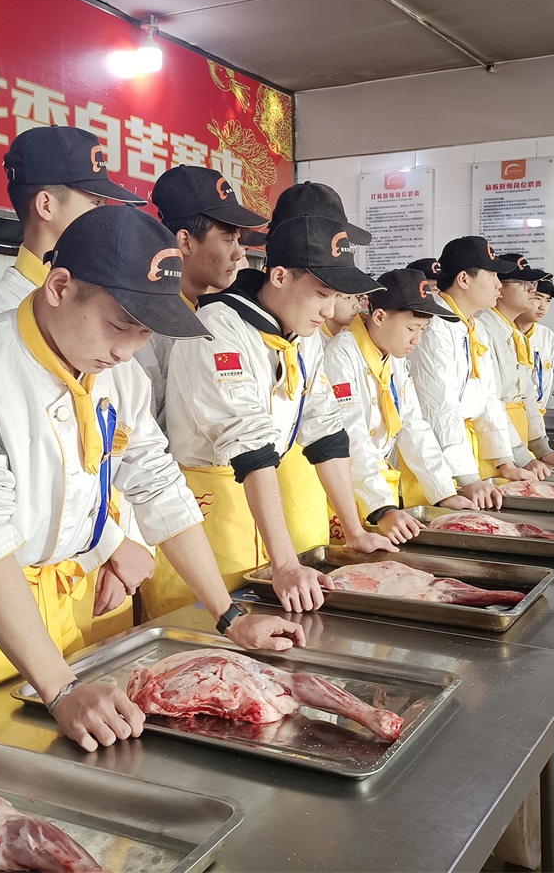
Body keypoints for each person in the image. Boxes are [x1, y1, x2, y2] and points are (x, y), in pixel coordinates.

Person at [0, 206, 303, 749]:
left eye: (144, 332)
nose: (127, 350)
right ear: (60, 286)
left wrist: (230, 617)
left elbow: (157, 485)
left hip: (61, 600)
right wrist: (61, 689)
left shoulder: (115, 375)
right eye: (119, 325)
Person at [154, 213, 398, 618]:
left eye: (336, 296)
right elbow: (248, 444)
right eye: (321, 293)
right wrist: (285, 564)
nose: (329, 310)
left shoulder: (301, 334)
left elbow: (325, 431)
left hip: (264, 502)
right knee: (205, 632)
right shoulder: (219, 328)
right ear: (280, 276)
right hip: (210, 512)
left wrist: (355, 531)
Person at [324, 269, 504, 542]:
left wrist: (444, 493)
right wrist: (382, 508)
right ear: (380, 317)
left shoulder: (393, 357)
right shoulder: (342, 353)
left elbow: (413, 425)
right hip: (345, 483)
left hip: (377, 481)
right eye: (411, 329)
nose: (417, 340)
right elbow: (353, 437)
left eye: (423, 330)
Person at [405, 236, 541, 507]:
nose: (499, 284)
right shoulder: (435, 326)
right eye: (492, 275)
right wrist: (467, 478)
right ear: (464, 279)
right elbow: (439, 406)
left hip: (463, 452)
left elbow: (489, 399)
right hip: (434, 455)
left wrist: (509, 461)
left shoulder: (473, 326)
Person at [0, 126, 144, 328]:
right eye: (96, 203)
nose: (105, 216)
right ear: (46, 206)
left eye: (105, 204)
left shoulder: (97, 295)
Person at [134, 165, 268, 427]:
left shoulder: (220, 316)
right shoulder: (146, 327)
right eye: (228, 239)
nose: (238, 255)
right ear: (185, 242)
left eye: (239, 241)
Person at [478, 254, 554, 469]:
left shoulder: (514, 333)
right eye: (524, 283)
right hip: (494, 447)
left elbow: (527, 393)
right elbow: (491, 402)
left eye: (533, 284)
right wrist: (519, 458)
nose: (532, 291)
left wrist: (541, 448)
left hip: (515, 445)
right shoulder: (482, 329)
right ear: (500, 287)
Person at [517, 274, 554, 413]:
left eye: (548, 300)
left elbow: (547, 382)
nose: (543, 306)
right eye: (537, 298)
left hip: (537, 414)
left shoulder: (547, 335)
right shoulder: (503, 331)